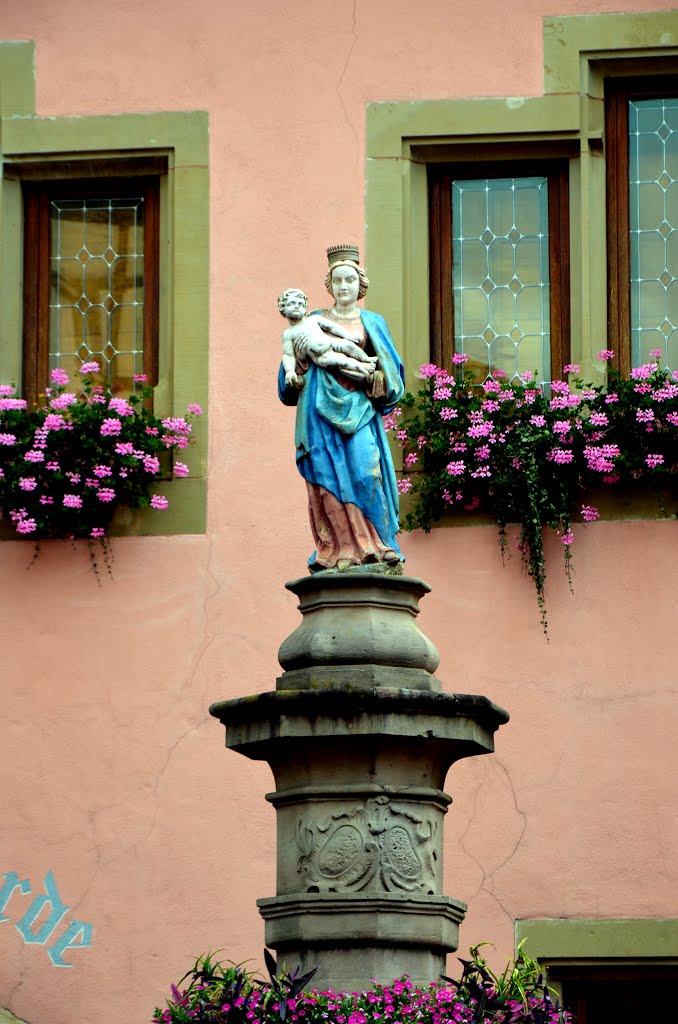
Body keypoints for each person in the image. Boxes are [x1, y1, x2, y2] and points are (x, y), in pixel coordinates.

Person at [278, 245, 405, 571]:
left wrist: (377, 377)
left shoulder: (372, 322)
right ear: (330, 285)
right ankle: (340, 550)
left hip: (360, 409)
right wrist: (297, 370)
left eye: (350, 280)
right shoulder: (312, 320)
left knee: (366, 471)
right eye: (337, 281)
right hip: (318, 413)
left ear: (360, 284)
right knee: (326, 479)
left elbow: (392, 374)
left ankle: (379, 545)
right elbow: (288, 375)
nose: (344, 286)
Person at [278, 288, 378, 387]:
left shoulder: (313, 319)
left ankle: (366, 359)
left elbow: (332, 327)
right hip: (321, 356)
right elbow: (288, 355)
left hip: (331, 342)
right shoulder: (288, 334)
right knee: (342, 360)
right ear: (283, 308)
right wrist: (290, 371)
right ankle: (363, 366)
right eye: (291, 304)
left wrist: (346, 335)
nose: (296, 307)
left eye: (300, 304)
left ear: (305, 308)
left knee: (349, 346)